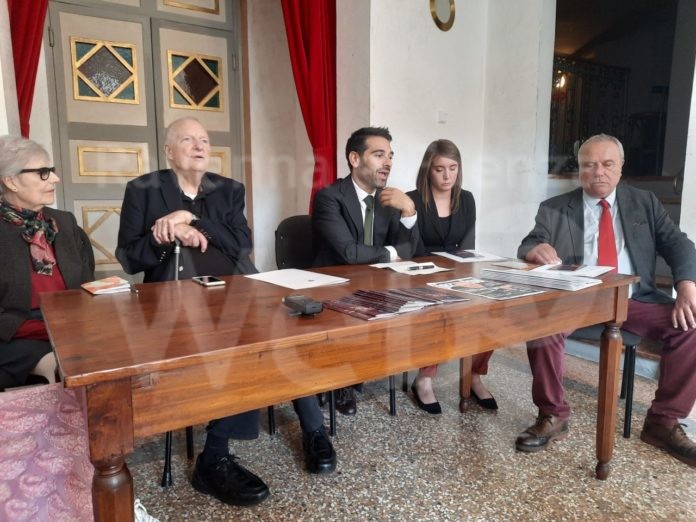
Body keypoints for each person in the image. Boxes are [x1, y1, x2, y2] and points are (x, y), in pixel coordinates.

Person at [116, 117, 337, 507]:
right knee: (241, 346)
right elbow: (129, 257)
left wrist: (193, 220)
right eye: (188, 140)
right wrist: (166, 236)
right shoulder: (142, 189)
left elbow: (241, 244)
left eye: (204, 139)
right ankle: (214, 457)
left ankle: (313, 428)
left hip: (237, 289)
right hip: (173, 298)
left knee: (287, 333)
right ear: (169, 151)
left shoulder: (229, 189)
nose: (199, 146)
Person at [516, 133, 696, 468]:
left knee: (691, 326)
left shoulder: (644, 202)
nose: (598, 172)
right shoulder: (554, 208)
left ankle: (663, 423)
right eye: (589, 165)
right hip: (578, 299)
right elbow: (529, 242)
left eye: (607, 164)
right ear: (579, 169)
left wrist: (686, 283)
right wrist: (534, 249)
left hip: (632, 299)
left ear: (621, 167)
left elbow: (678, 243)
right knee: (541, 325)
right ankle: (553, 415)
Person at [312, 126, 419, 415]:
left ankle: (362, 368)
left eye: (391, 156)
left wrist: (409, 210)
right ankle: (341, 380)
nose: (388, 163)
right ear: (355, 159)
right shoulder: (329, 197)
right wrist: (392, 254)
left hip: (375, 286)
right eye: (379, 155)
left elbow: (410, 251)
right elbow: (349, 252)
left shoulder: (389, 200)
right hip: (332, 288)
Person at [406, 139, 496, 414]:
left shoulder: (466, 199)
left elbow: (468, 247)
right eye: (439, 169)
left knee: (489, 308)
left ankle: (474, 376)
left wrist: (469, 276)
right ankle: (424, 380)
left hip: (458, 271)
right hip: (421, 273)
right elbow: (412, 249)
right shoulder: (412, 200)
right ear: (428, 170)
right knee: (438, 310)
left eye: (453, 168)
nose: (447, 176)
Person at [0, 136, 94, 390]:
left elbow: (86, 284)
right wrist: (46, 330)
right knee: (64, 365)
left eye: (51, 170)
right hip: (15, 334)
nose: (55, 178)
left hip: (70, 326)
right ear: (11, 181)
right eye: (43, 173)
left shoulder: (64, 221)